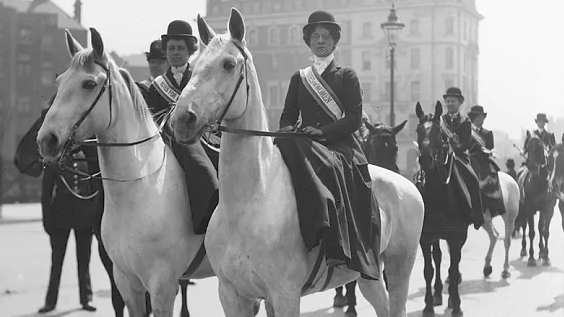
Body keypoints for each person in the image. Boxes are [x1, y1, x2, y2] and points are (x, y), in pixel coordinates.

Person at [274, 10, 380, 280]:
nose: (320, 40)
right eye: (315, 35)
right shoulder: (299, 78)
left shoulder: (347, 76)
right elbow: (287, 117)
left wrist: (321, 132)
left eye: (326, 36)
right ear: (308, 41)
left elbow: (354, 119)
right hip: (304, 142)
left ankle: (334, 239)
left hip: (338, 145)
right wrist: (289, 132)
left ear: (335, 42)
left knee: (328, 165)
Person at [147, 20, 219, 235]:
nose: (175, 53)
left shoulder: (200, 79)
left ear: (190, 52)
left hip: (201, 138)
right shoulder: (157, 85)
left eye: (180, 48)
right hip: (168, 143)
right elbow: (151, 118)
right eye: (171, 48)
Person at [38, 147, 99, 313]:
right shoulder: (54, 158)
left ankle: (86, 299)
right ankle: (50, 302)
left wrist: (93, 215)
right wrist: (47, 220)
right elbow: (46, 193)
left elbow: (93, 187)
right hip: (60, 216)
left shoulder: (84, 156)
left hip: (83, 216)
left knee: (84, 260)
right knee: (57, 262)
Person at [440, 87, 484, 228]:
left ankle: (477, 215)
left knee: (472, 178)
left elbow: (465, 143)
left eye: (453, 101)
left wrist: (454, 148)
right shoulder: (441, 120)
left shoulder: (465, 121)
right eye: (448, 101)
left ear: (459, 103)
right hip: (442, 156)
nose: (450, 104)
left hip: (460, 157)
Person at [467, 105, 506, 217]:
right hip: (470, 159)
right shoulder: (468, 132)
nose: (482, 120)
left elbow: (490, 147)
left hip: (484, 160)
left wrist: (487, 151)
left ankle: (495, 205)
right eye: (480, 117)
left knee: (492, 177)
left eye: (483, 117)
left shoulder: (488, 133)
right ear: (474, 118)